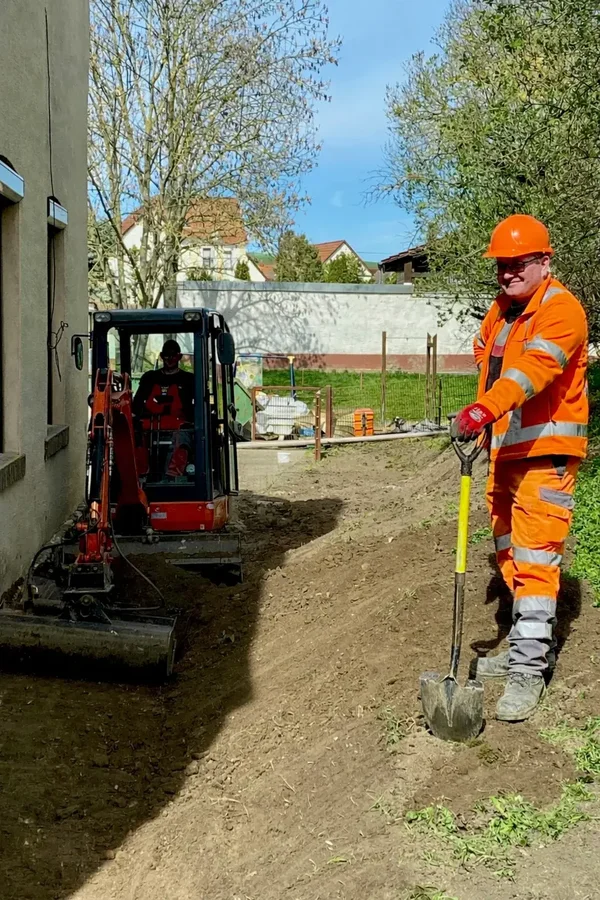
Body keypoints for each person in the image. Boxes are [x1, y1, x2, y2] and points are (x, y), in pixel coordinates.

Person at [451, 214, 588, 722]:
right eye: (501, 266)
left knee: (534, 558)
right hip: (505, 453)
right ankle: (523, 647)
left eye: (518, 263)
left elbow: (533, 371)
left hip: (545, 457)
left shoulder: (561, 310)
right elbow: (486, 356)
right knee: (509, 551)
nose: (508, 273)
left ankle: (529, 669)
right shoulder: (502, 311)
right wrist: (482, 415)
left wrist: (485, 409)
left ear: (544, 262)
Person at [133, 339, 195, 478]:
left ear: (179, 357)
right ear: (161, 356)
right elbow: (137, 404)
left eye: (173, 355)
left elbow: (196, 407)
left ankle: (173, 474)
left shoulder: (189, 380)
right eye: (167, 355)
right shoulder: (150, 378)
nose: (170, 359)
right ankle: (141, 474)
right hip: (149, 425)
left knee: (186, 435)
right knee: (134, 434)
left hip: (179, 425)